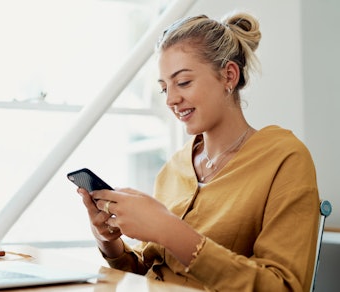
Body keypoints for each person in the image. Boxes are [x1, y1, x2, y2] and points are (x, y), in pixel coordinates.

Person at [77, 11, 320, 291]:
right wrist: (109, 242)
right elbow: (151, 271)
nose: (171, 99)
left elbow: (283, 287)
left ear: (229, 75)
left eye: (183, 82)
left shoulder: (285, 159)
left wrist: (169, 229)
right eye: (164, 88)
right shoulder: (175, 167)